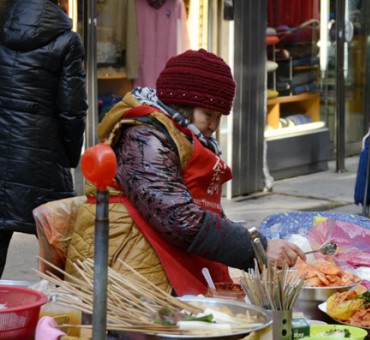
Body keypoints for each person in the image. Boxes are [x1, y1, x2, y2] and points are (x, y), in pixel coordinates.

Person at [64, 49, 306, 296]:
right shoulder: (144, 135)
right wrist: (258, 248)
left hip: (149, 254)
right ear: (182, 104)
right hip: (124, 266)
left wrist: (254, 245)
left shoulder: (182, 135)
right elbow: (179, 217)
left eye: (219, 117)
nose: (213, 125)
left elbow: (205, 213)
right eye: (207, 114)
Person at [0, 0, 87, 278]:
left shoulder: (3, 29)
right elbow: (72, 110)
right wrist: (71, 157)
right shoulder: (67, 41)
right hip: (43, 156)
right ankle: (60, 317)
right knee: (59, 251)